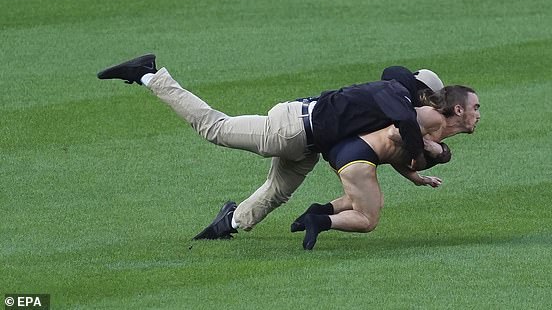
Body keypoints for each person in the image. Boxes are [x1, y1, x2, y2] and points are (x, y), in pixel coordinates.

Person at [96, 54, 447, 239]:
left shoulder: (393, 104)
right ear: (417, 91)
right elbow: (402, 112)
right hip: (290, 127)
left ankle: (227, 225)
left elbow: (389, 143)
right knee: (215, 128)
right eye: (427, 97)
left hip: (308, 144)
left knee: (277, 193)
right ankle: (149, 74)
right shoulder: (396, 95)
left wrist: (414, 170)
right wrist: (425, 155)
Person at [292, 86, 480, 250]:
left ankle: (319, 210)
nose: (478, 115)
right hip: (358, 155)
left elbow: (395, 155)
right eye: (475, 108)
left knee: (374, 200)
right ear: (458, 109)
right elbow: (395, 133)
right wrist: (430, 148)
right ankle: (319, 222)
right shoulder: (434, 118)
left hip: (350, 151)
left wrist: (417, 178)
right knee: (367, 220)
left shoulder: (437, 125)